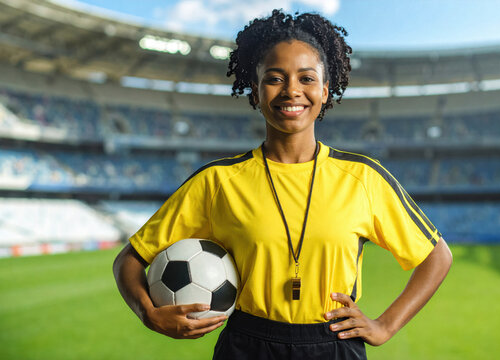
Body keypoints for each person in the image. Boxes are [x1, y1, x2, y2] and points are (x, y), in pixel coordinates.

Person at [113, 9, 452, 359]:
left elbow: (436, 256)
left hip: (334, 344)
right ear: (256, 90)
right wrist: (148, 314)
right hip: (247, 345)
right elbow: (129, 261)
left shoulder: (363, 178)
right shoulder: (216, 181)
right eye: (275, 78)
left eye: (306, 79)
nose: (292, 91)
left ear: (324, 90)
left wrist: (385, 325)